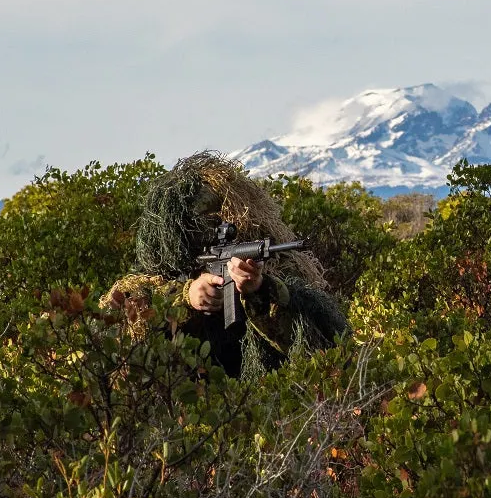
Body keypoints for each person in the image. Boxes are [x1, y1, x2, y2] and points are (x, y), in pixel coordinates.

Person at [104, 152, 347, 380]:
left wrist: (260, 292)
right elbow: (114, 319)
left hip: (253, 393)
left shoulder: (279, 266)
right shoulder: (155, 273)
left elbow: (317, 349)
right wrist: (186, 296)